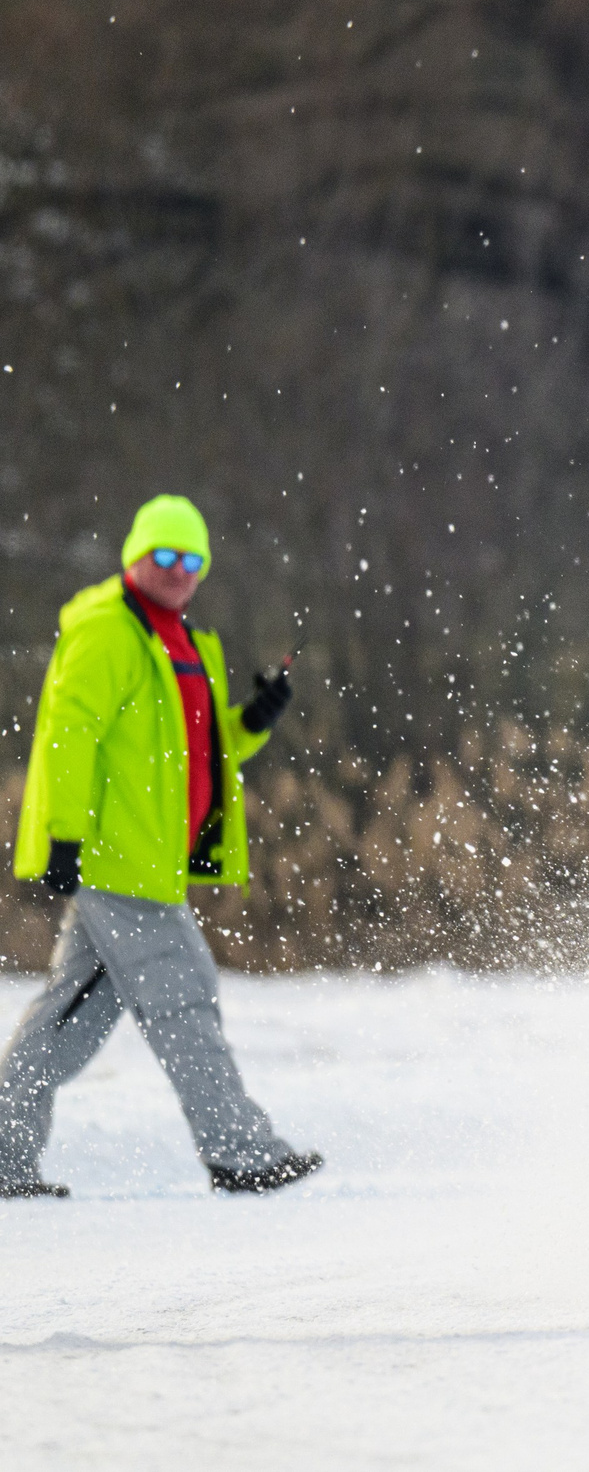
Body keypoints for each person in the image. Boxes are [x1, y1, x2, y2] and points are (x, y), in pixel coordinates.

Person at [2, 495, 317, 1198]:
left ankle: (1, 1156)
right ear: (135, 557)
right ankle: (241, 1152)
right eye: (165, 555)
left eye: (192, 558)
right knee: (186, 995)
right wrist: (63, 836)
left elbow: (199, 751)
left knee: (69, 1019)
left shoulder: (183, 641)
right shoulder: (107, 632)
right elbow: (68, 735)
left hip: (148, 861)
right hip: (117, 859)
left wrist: (254, 720)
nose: (179, 570)